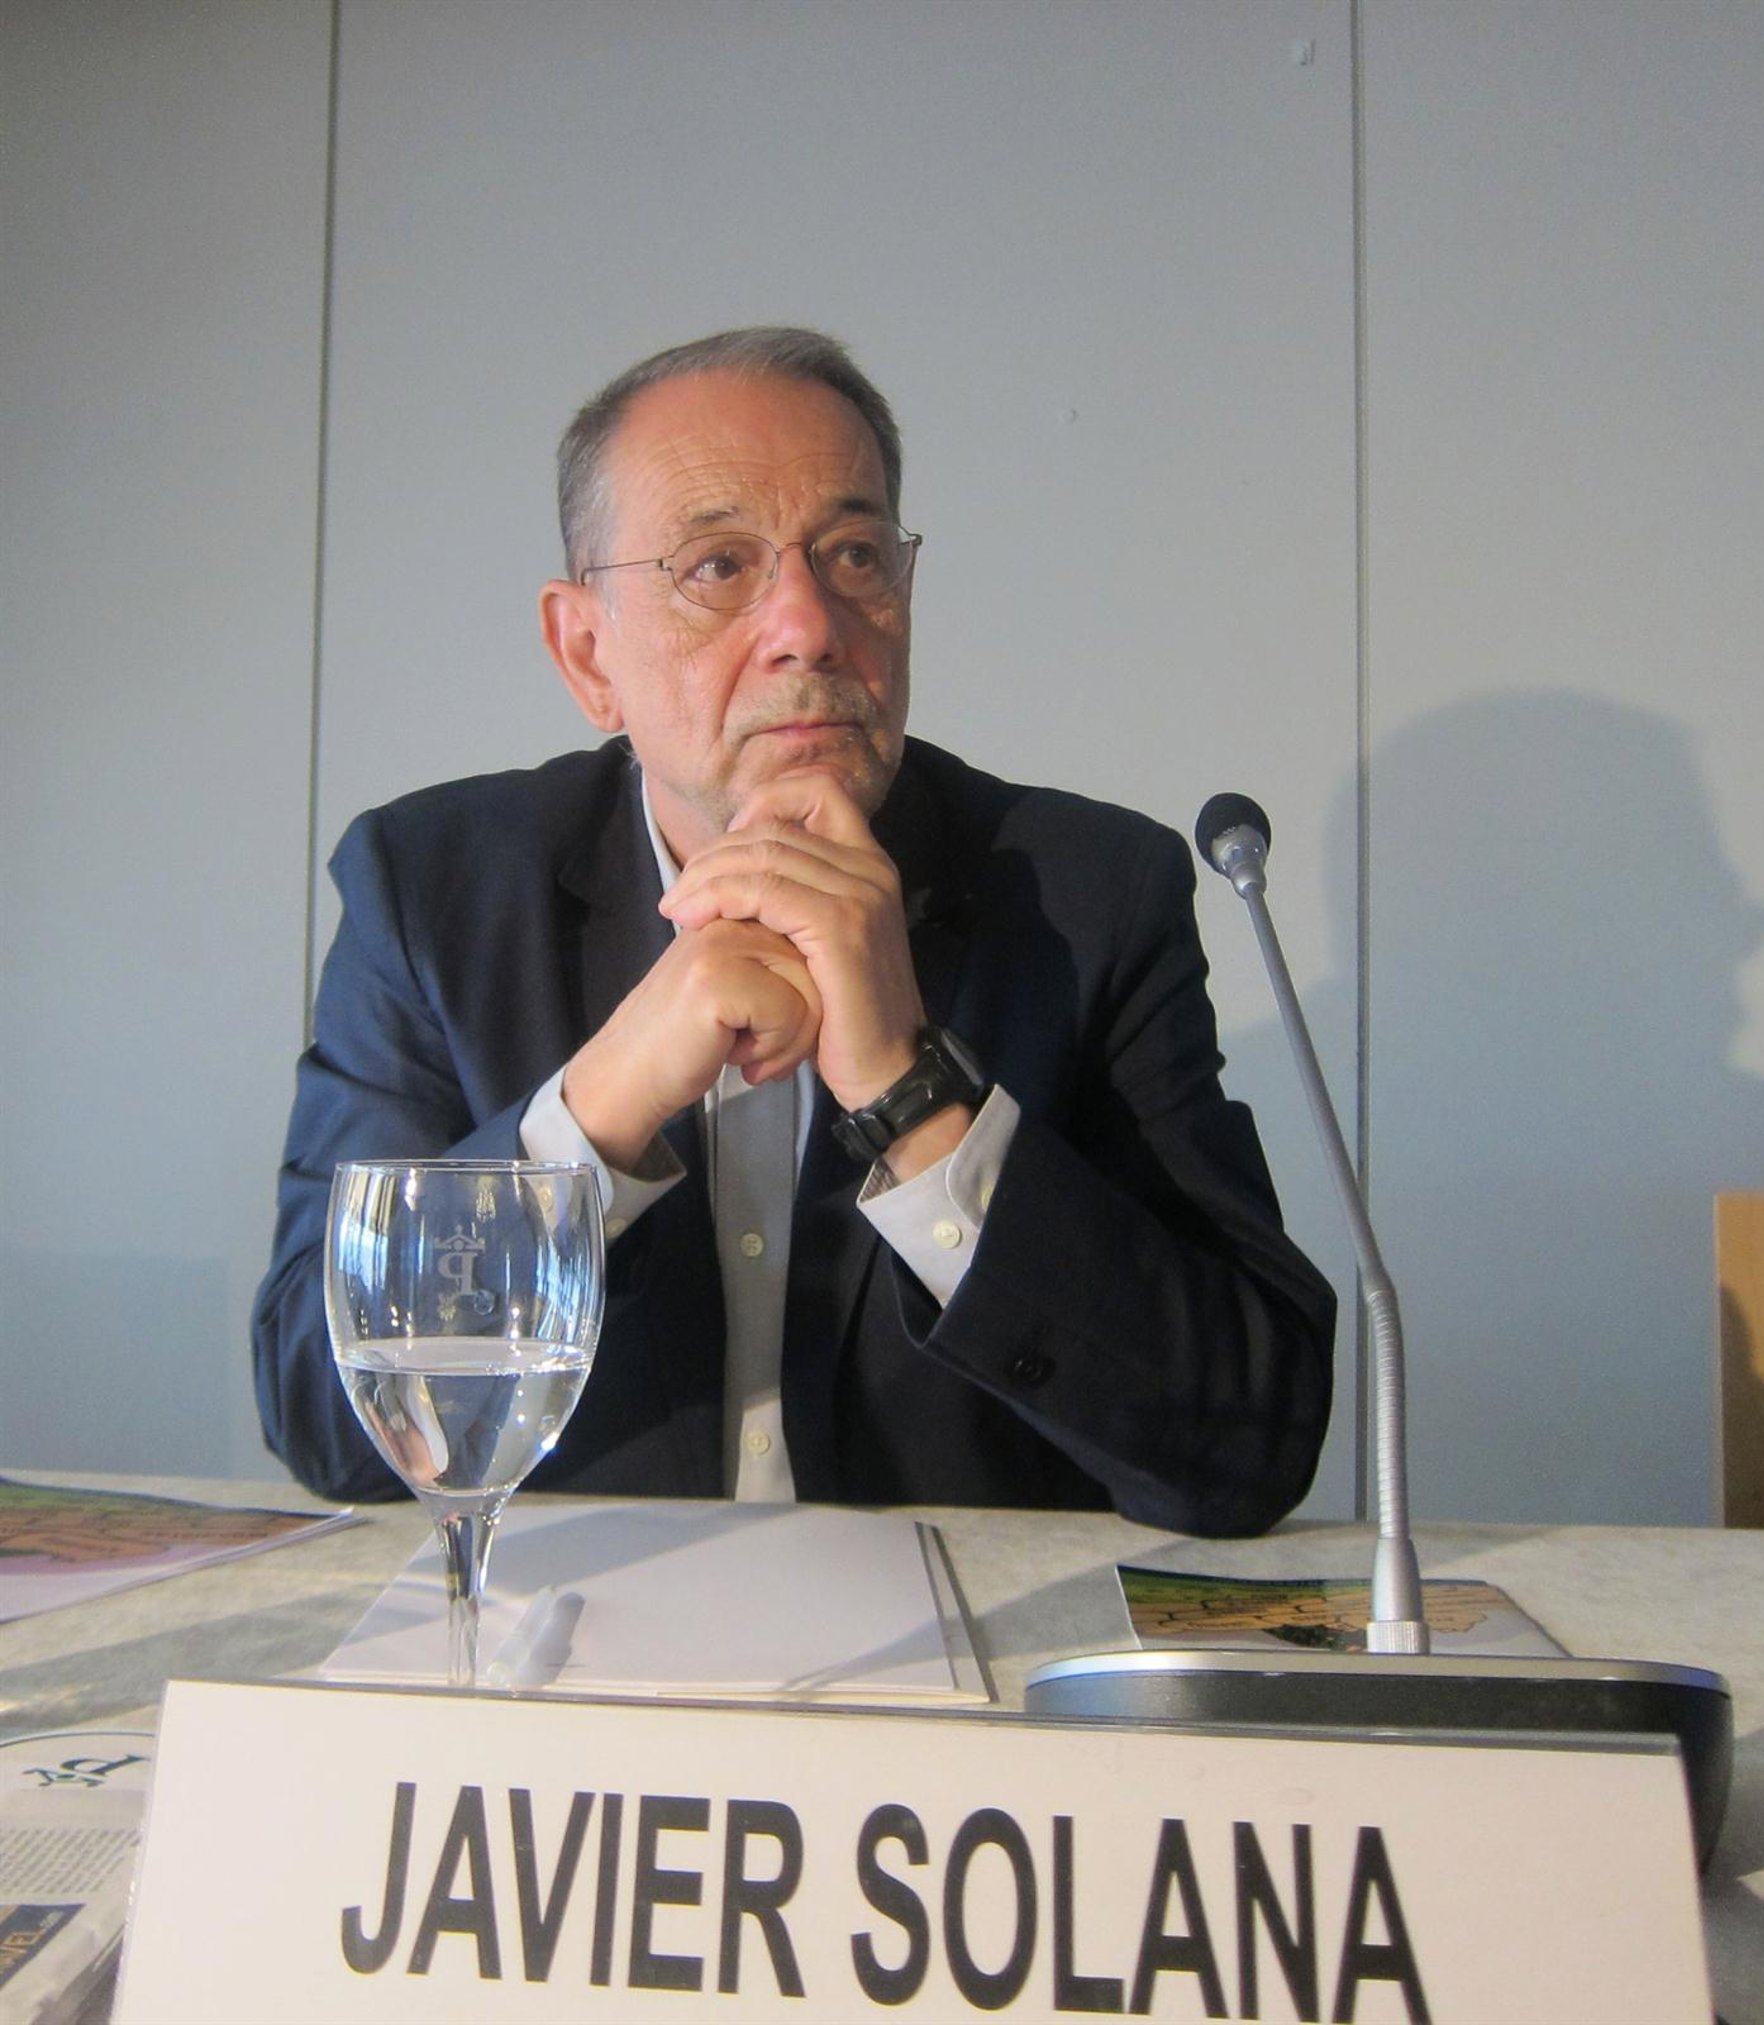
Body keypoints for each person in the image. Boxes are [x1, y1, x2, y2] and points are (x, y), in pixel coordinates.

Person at [252, 327, 1335, 1536]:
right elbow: (325, 1419)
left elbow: (1250, 1444)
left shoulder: (1088, 898)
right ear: (587, 652)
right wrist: (600, 1109)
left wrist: (916, 1101)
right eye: (718, 565)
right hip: (588, 1636)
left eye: (855, 555)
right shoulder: (430, 893)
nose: (810, 627)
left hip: (964, 1651)